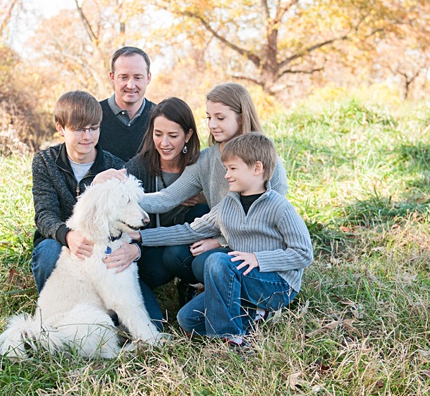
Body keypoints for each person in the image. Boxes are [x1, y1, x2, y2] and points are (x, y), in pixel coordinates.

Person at [132, 132, 313, 347]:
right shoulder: (228, 205)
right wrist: (142, 236)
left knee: (217, 260)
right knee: (187, 319)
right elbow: (190, 231)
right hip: (241, 280)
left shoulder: (279, 207)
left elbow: (303, 254)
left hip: (277, 284)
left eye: (233, 169)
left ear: (257, 168)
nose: (226, 175)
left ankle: (229, 336)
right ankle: (253, 314)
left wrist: (258, 258)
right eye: (226, 169)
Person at [100, 82, 289, 284]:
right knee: (175, 256)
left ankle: (241, 295)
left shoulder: (267, 162)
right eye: (209, 117)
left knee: (205, 263)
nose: (212, 125)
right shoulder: (206, 159)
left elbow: (269, 221)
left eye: (220, 118)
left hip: (257, 248)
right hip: (214, 235)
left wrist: (219, 242)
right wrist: (118, 196)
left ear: (241, 117)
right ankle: (205, 289)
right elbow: (167, 198)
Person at [29, 90, 162, 326]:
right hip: (63, 247)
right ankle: (56, 322)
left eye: (94, 128)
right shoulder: (45, 162)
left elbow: (128, 216)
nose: (87, 136)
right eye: (79, 129)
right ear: (61, 128)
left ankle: (107, 318)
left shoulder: (114, 165)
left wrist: (136, 249)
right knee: (48, 251)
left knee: (155, 321)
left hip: (107, 248)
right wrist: (68, 235)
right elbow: (44, 214)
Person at [124, 97, 208, 311]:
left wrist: (204, 197)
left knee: (201, 210)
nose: (164, 143)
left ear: (188, 135)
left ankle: (194, 284)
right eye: (158, 134)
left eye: (173, 135)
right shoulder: (139, 167)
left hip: (189, 246)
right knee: (154, 270)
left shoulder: (201, 165)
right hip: (151, 245)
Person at [96, 46, 155, 162]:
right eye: (124, 77)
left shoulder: (160, 117)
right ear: (112, 78)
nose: (131, 85)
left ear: (148, 78)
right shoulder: (93, 116)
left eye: (138, 77)